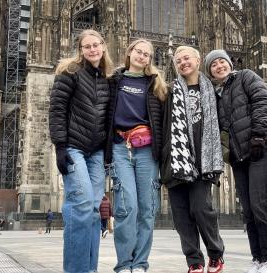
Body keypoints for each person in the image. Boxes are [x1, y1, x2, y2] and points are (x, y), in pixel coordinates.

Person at [204, 49, 267, 273]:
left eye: (222, 62)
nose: (219, 66)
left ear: (230, 63)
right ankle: (258, 259)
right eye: (213, 65)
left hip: (262, 148)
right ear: (209, 71)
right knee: (248, 210)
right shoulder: (216, 94)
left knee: (260, 206)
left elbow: (264, 100)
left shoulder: (246, 76)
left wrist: (259, 135)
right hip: (240, 157)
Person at [49, 29, 114, 273]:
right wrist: (60, 147)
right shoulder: (69, 73)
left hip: (96, 152)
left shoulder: (108, 78)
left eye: (96, 44)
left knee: (95, 210)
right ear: (81, 50)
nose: (92, 49)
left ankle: (90, 268)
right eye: (87, 46)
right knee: (82, 204)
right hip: (74, 147)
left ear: (103, 46)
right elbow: (57, 110)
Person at [160, 46, 225, 273]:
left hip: (203, 161)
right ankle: (194, 261)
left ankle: (215, 254)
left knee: (200, 209)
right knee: (180, 215)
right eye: (178, 60)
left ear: (198, 60)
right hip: (177, 161)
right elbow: (161, 124)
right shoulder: (169, 91)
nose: (183, 63)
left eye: (186, 58)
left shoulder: (214, 91)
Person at [105, 38, 167, 273]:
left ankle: (140, 264)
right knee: (125, 206)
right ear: (129, 53)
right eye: (138, 52)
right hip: (120, 147)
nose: (142, 56)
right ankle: (124, 264)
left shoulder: (156, 85)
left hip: (147, 151)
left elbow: (164, 121)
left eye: (147, 54)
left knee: (147, 208)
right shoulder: (114, 81)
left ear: (150, 59)